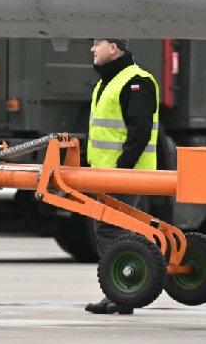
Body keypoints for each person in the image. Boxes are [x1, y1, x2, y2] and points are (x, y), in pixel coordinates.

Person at [83, 38, 159, 315]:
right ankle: (120, 291)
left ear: (114, 48)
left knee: (110, 229)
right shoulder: (107, 82)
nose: (92, 49)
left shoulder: (136, 81)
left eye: (97, 44)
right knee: (111, 229)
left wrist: (121, 170)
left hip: (124, 174)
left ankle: (124, 291)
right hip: (106, 173)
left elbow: (140, 132)